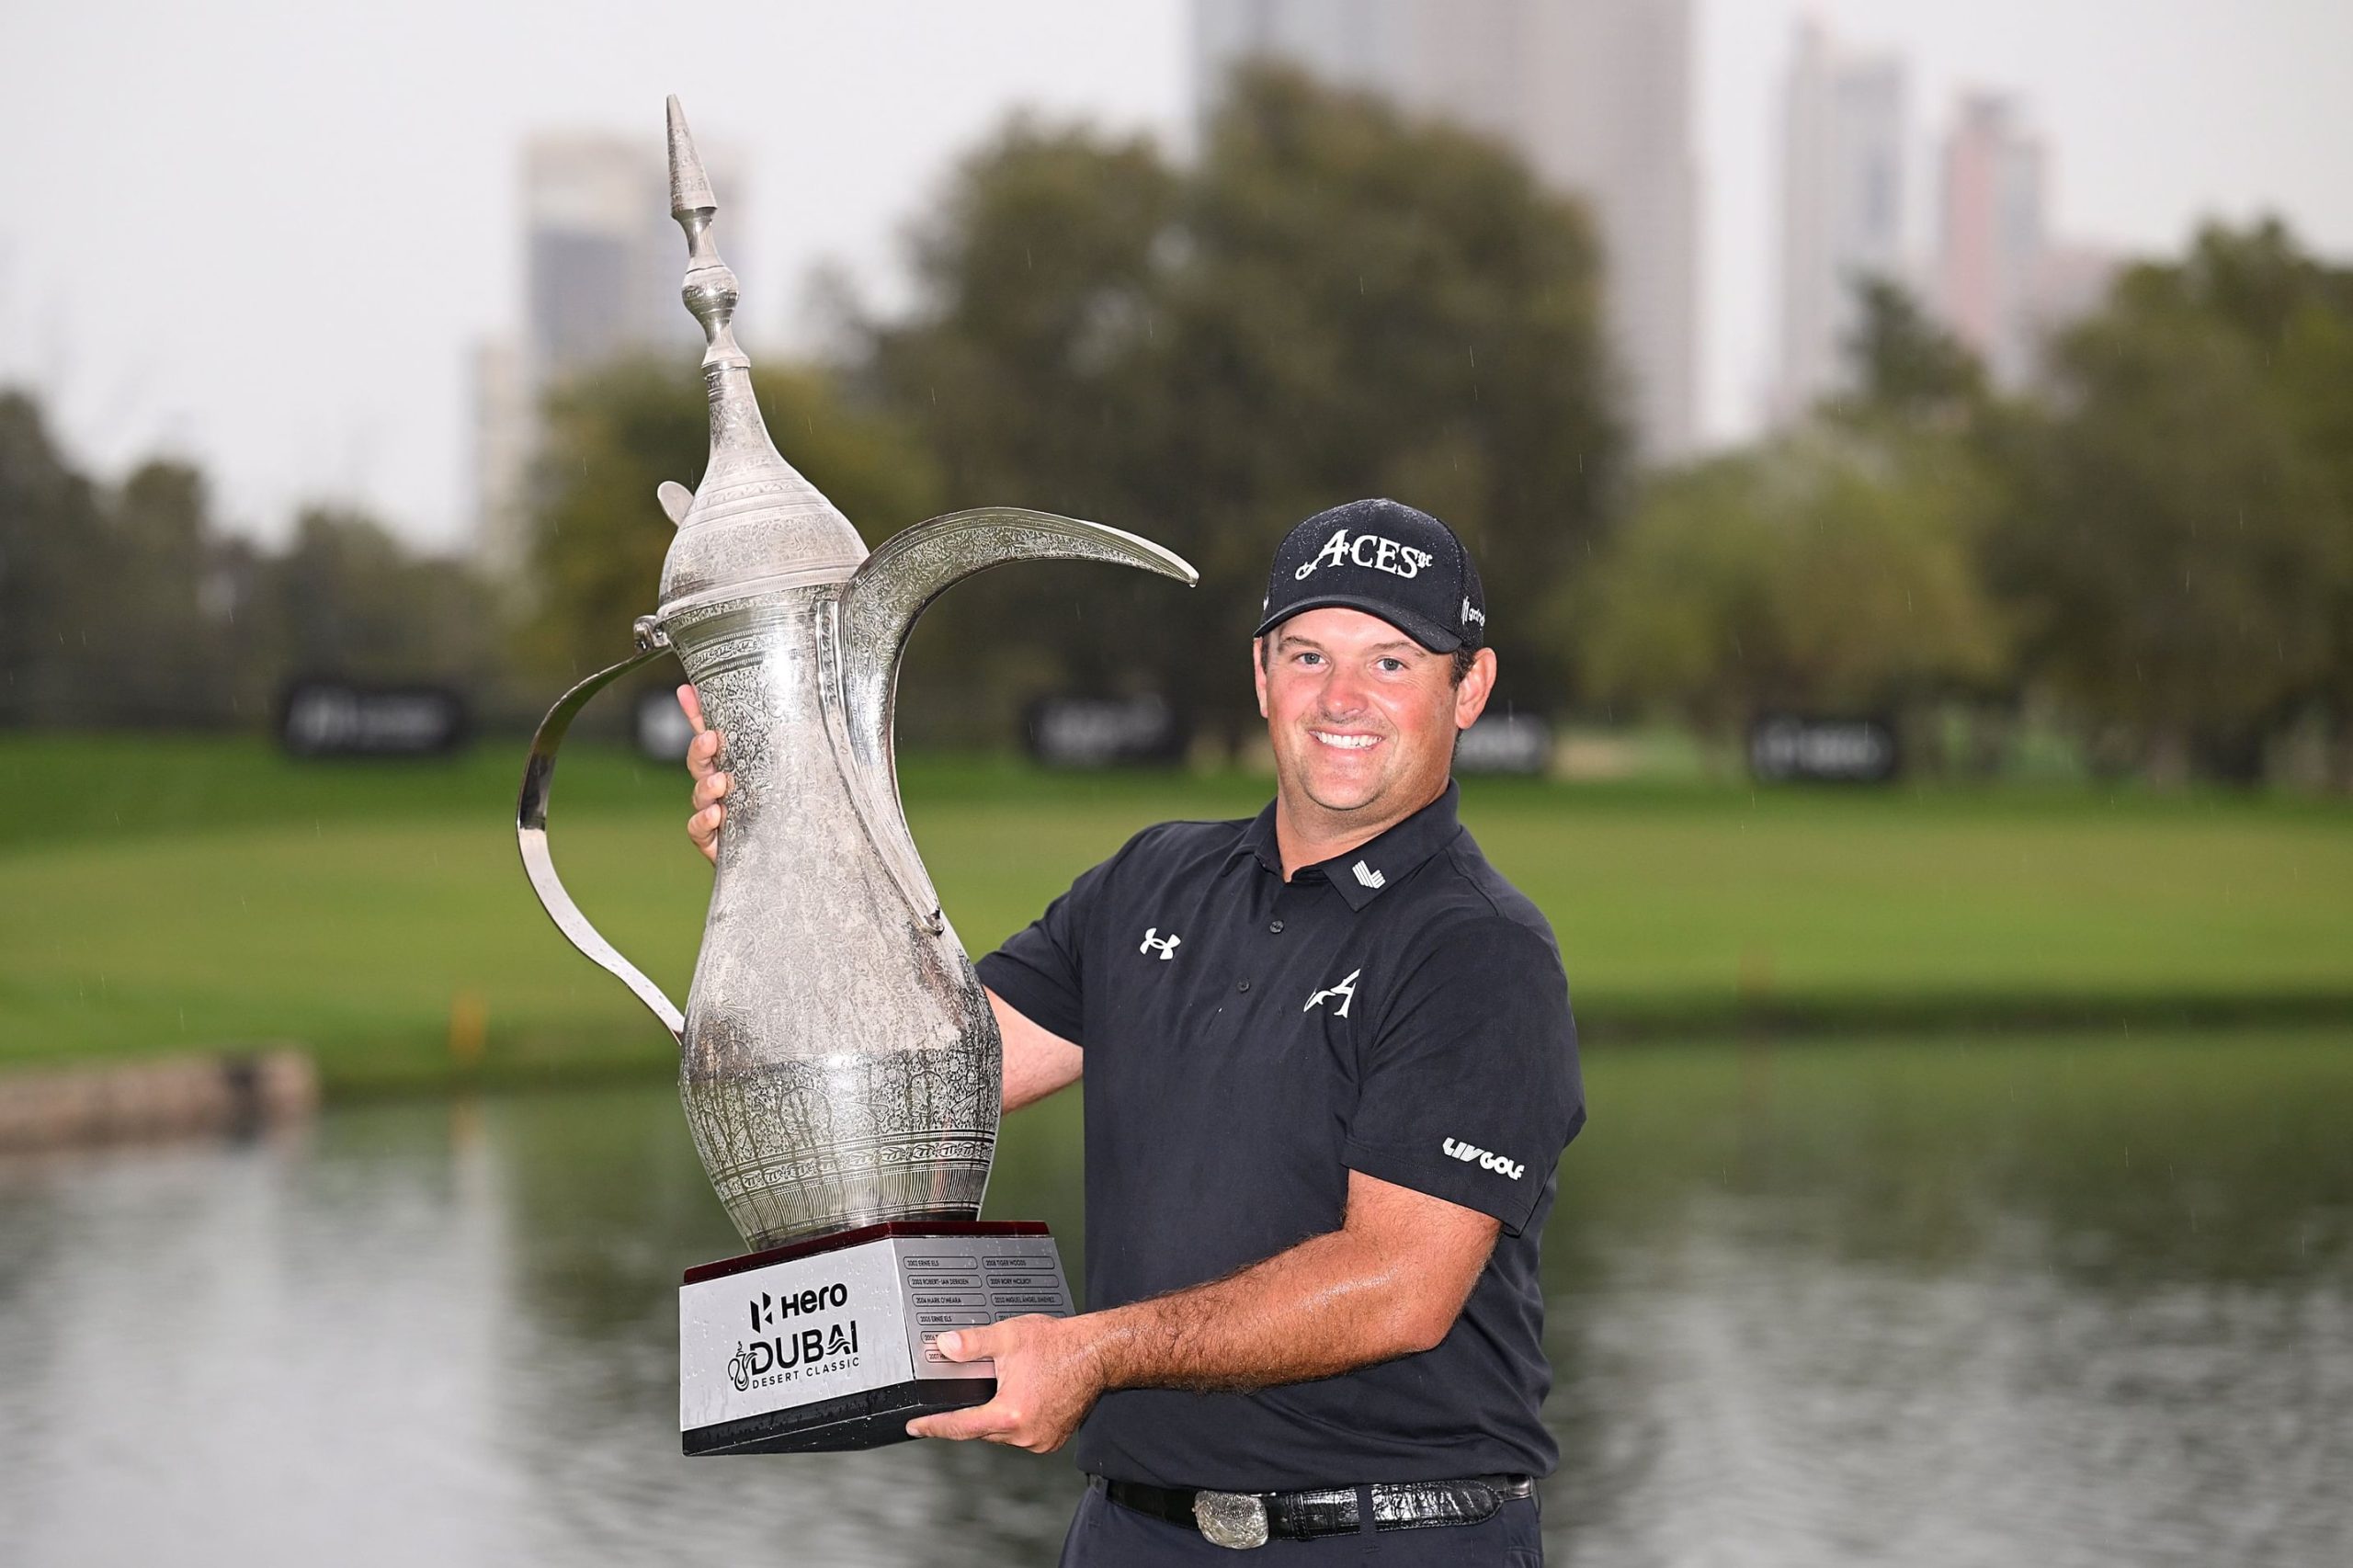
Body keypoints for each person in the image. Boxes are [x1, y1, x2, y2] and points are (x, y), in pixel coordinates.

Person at [682, 498, 1584, 1562]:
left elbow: (1399, 1285)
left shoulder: (1478, 949)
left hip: (1389, 1534)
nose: (1341, 697)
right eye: (1308, 655)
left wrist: (1095, 1350)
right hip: (1132, 1529)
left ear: (1468, 687)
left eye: (1390, 662)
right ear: (1262, 673)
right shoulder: (1151, 880)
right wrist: (791, 851)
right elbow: (918, 1082)